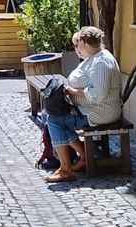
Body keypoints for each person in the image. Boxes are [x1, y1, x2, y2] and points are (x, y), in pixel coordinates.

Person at [43, 26, 123, 183]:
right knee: (54, 116)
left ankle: (66, 169)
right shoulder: (96, 57)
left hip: (99, 113)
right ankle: (85, 156)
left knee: (54, 120)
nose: (76, 47)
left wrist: (72, 91)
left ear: (86, 43)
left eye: (78, 43)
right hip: (90, 110)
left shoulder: (102, 62)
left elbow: (97, 95)